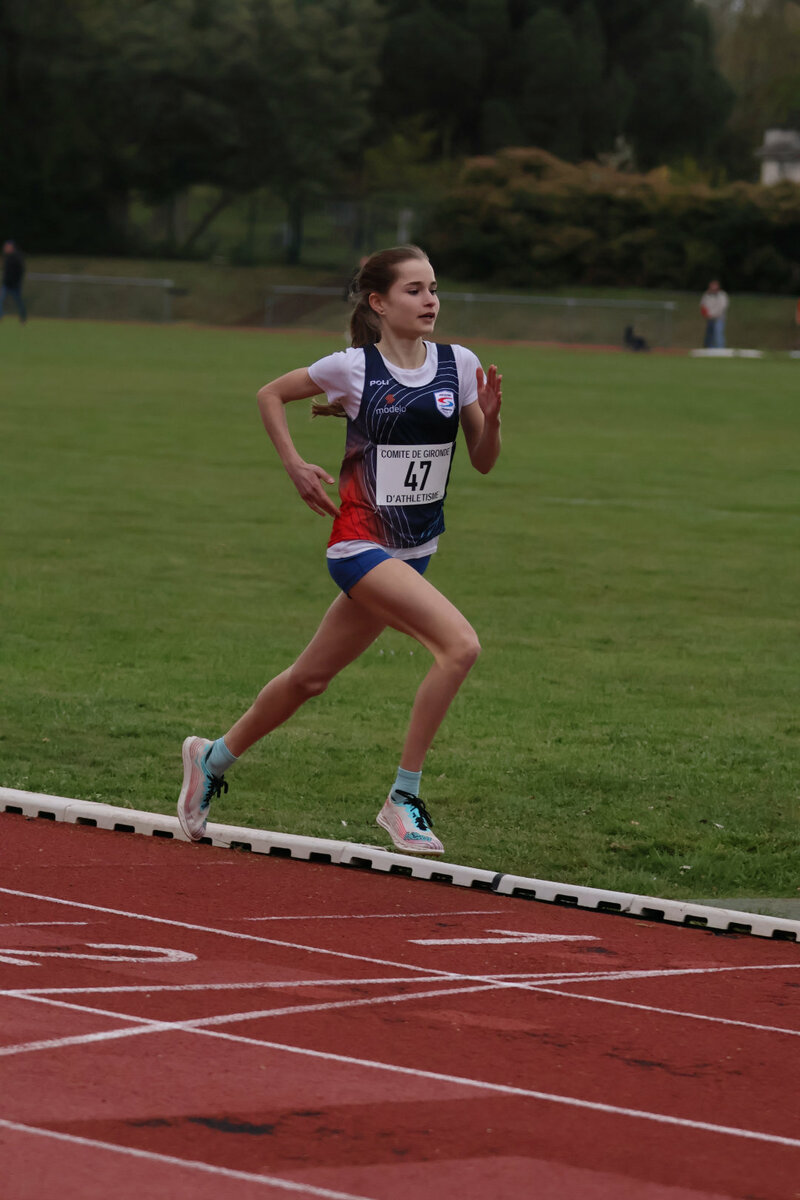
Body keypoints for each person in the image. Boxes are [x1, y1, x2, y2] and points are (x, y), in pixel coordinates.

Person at [177, 244, 502, 856]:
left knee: (310, 678)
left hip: (415, 551)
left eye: (434, 288)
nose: (430, 300)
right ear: (378, 302)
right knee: (459, 646)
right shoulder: (352, 368)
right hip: (359, 545)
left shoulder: (458, 365)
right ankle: (403, 798)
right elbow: (270, 394)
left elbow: (484, 462)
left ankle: (211, 758)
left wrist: (491, 419)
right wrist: (294, 464)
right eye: (414, 290)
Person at [0, 240, 27, 323]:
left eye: (7, 247)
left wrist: (16, 281)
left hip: (15, 285)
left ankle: (23, 317)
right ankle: (1, 315)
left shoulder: (17, 257)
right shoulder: (7, 257)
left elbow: (21, 271)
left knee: (18, 302)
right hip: (6, 284)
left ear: (11, 248)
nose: (5, 249)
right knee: (1, 299)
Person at [700, 280, 728, 349]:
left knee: (718, 334)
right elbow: (703, 305)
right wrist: (706, 314)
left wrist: (713, 314)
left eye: (715, 286)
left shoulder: (722, 295)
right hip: (709, 318)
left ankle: (720, 349)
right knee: (709, 335)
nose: (713, 287)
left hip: (719, 318)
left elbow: (722, 307)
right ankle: (709, 349)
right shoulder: (706, 295)